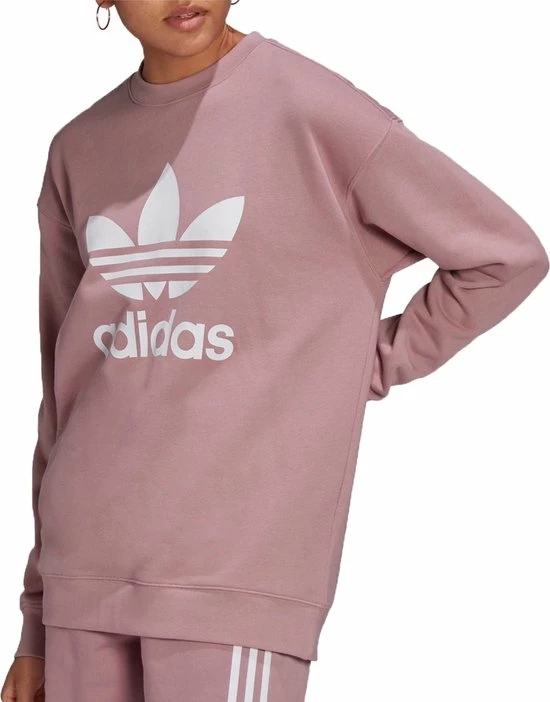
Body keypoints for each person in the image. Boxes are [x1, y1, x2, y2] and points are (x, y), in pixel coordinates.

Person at [2, 0, 549, 700]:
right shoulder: (78, 147)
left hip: (233, 577)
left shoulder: (313, 111)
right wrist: (35, 620)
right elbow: (64, 390)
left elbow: (503, 257)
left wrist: (355, 367)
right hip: (80, 574)